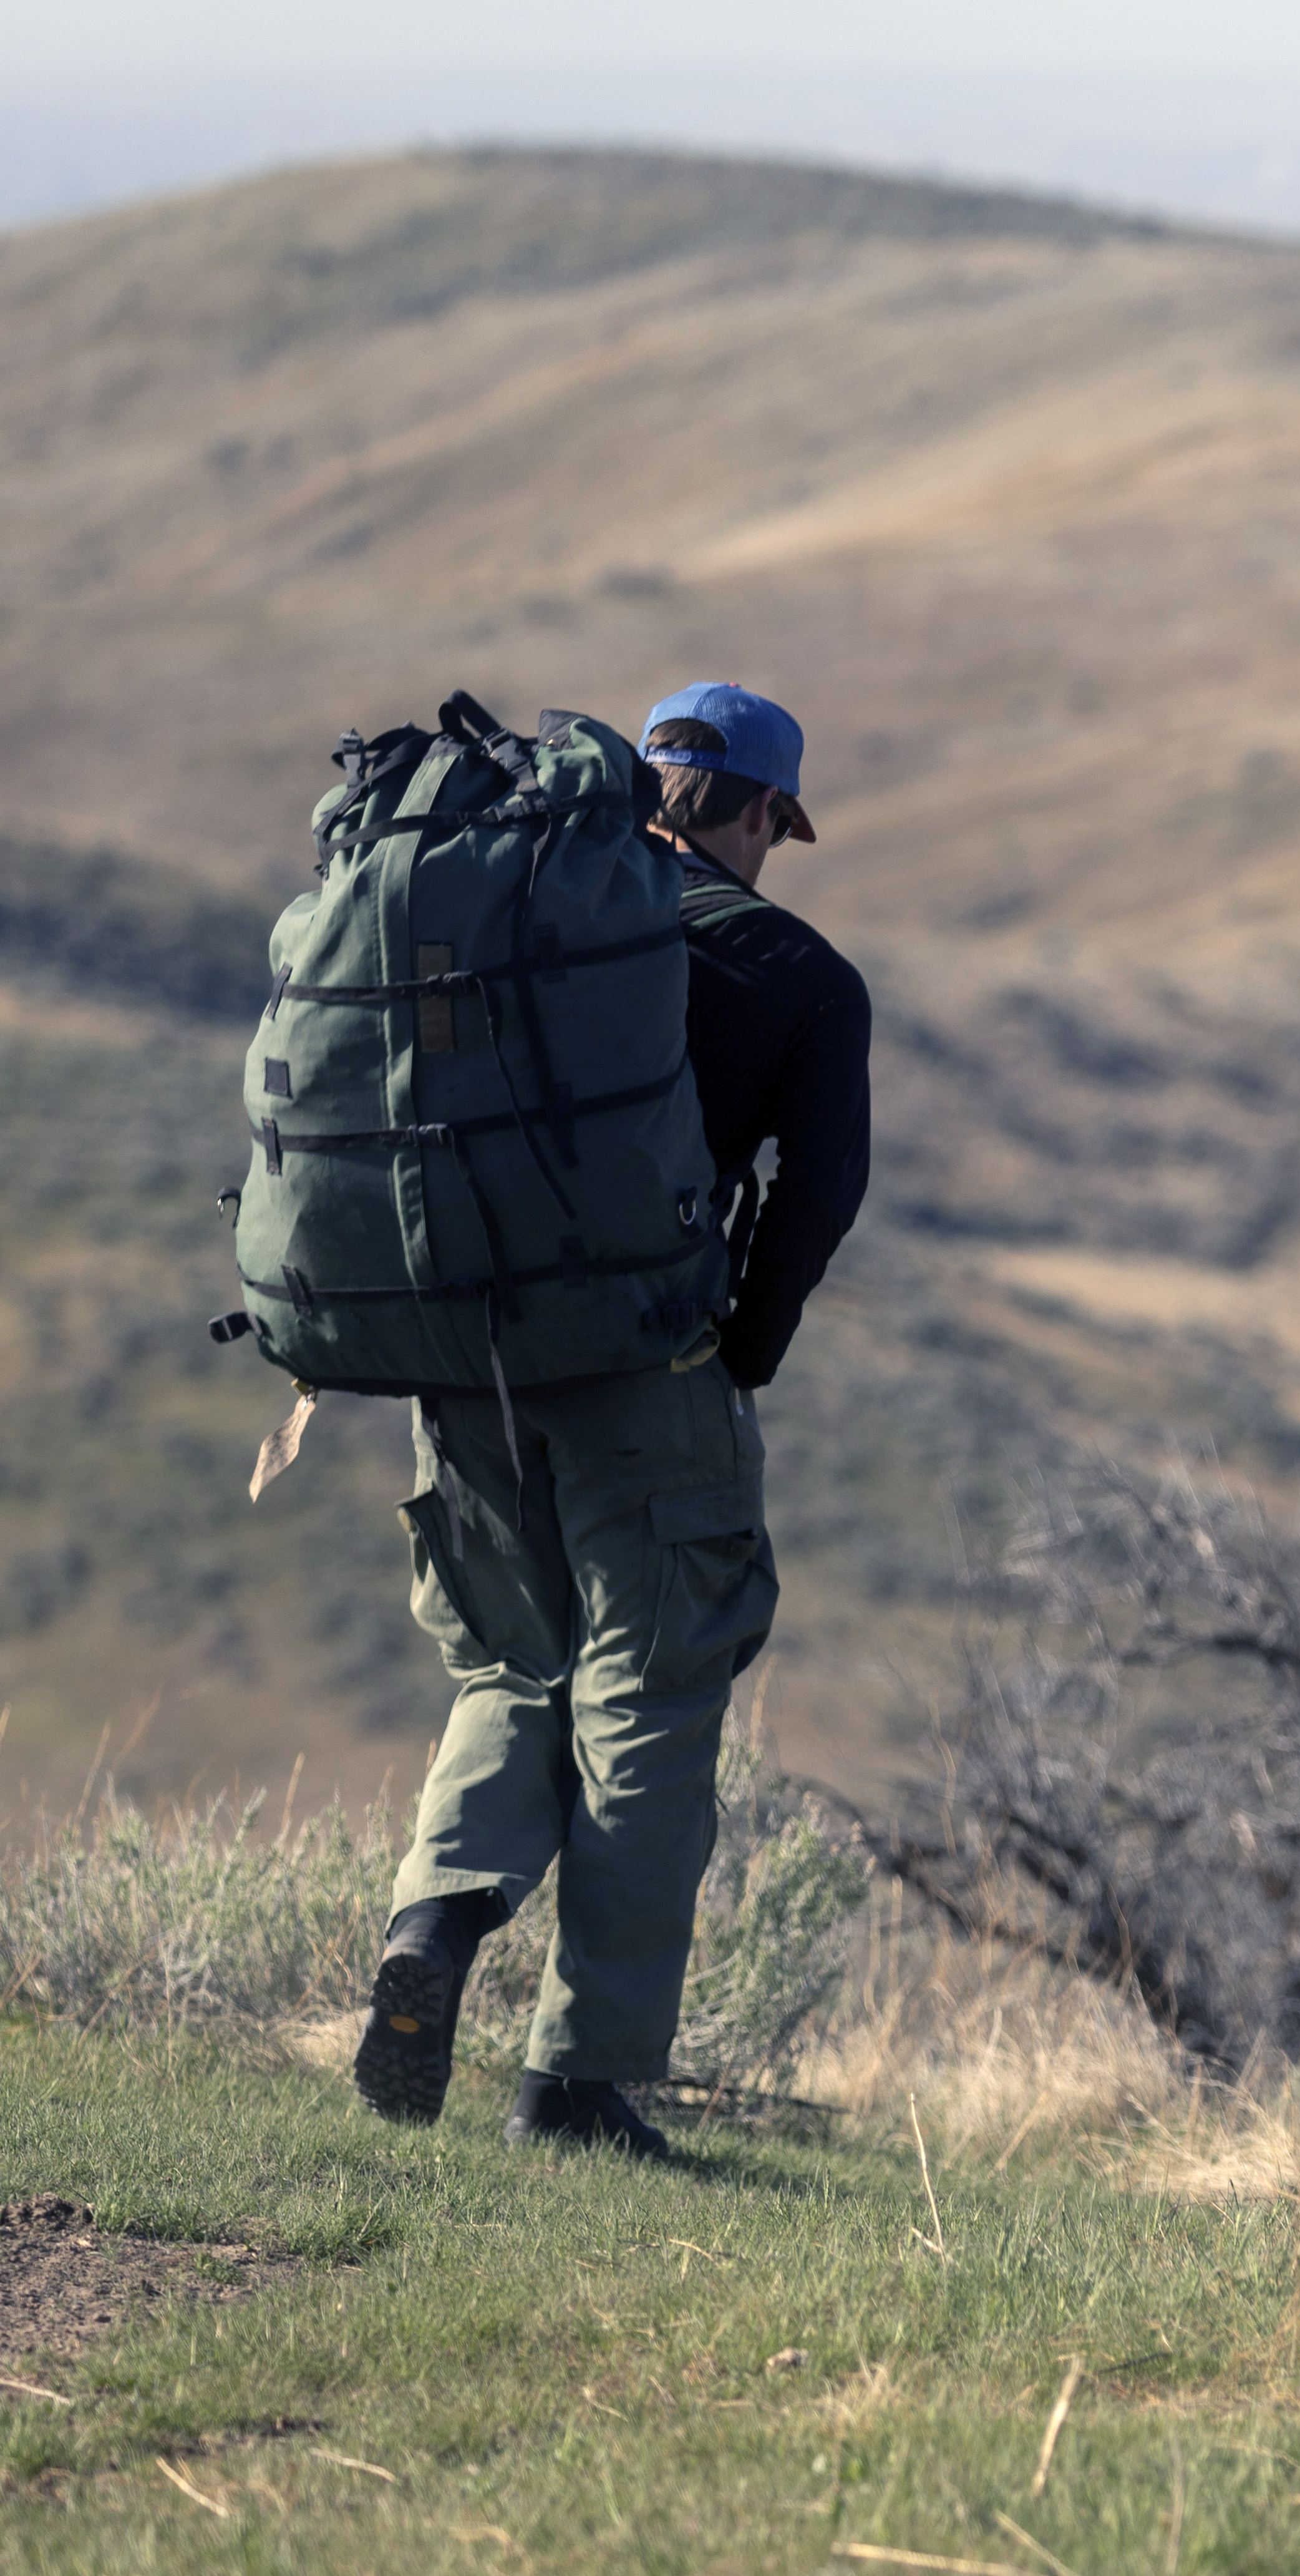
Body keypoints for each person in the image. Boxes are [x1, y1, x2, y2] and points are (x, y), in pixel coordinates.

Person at [352, 683, 870, 2159]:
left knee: (518, 1662)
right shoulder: (793, 968)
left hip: (465, 1359)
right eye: (780, 821)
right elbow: (814, 1201)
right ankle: (577, 2086)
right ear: (763, 808)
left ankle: (433, 1932)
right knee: (650, 1695)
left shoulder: (507, 903)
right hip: (650, 1378)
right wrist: (741, 1356)